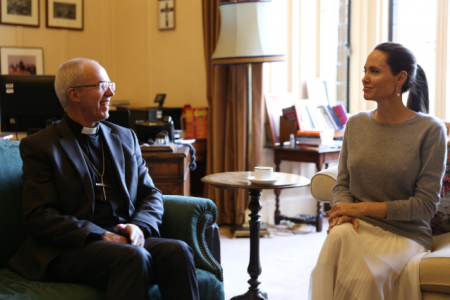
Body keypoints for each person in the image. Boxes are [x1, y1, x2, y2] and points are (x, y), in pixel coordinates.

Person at [8, 58, 200, 300]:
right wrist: (99, 234)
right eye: (101, 85)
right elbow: (39, 214)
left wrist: (139, 226)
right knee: (133, 256)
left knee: (178, 251)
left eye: (110, 84)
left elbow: (150, 193)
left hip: (123, 237)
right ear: (74, 94)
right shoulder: (40, 146)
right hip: (73, 246)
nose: (111, 92)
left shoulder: (125, 137)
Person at [309, 42, 447, 300]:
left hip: (405, 234)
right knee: (334, 244)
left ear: (400, 78)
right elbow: (342, 184)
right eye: (365, 70)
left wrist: (360, 208)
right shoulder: (356, 124)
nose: (364, 78)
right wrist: (344, 212)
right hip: (358, 226)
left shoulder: (430, 130)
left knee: (366, 277)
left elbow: (425, 205)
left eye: (374, 71)